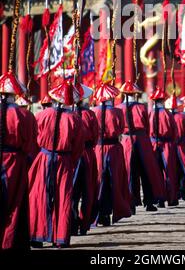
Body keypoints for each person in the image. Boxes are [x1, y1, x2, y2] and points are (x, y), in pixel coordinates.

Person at [28, 80, 85, 248]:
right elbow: (79, 146)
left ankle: (37, 236)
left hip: (44, 158)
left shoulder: (41, 115)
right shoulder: (75, 119)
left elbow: (33, 141)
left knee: (39, 195)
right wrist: (70, 161)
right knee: (63, 198)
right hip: (65, 160)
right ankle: (59, 238)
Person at [0, 72, 38, 250]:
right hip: (15, 161)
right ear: (15, 94)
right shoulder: (25, 116)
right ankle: (10, 242)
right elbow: (30, 143)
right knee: (15, 202)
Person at [118, 81, 165, 213]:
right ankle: (149, 202)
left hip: (127, 141)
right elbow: (147, 126)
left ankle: (131, 203)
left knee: (130, 172)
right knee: (146, 171)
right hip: (142, 140)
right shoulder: (142, 107)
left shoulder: (119, 108)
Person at [92, 82, 131, 227]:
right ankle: (108, 212)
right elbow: (121, 129)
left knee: (99, 181)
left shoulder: (93, 111)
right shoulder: (118, 112)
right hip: (114, 148)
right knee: (114, 180)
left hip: (98, 148)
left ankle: (100, 213)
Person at [71, 84, 98, 236]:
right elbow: (95, 137)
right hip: (87, 153)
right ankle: (85, 223)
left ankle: (72, 223)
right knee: (87, 190)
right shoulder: (90, 115)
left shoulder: (70, 114)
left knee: (73, 191)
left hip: (73, 155)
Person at [149, 87, 179, 207]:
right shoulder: (168, 114)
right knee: (170, 172)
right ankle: (171, 198)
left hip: (154, 144)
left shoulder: (151, 114)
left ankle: (160, 199)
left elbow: (149, 131)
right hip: (167, 145)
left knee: (157, 172)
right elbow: (174, 131)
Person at [165, 94, 185, 201]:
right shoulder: (182, 117)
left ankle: (174, 192)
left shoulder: (167, 116)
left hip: (169, 146)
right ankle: (183, 190)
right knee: (184, 169)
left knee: (171, 170)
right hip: (182, 146)